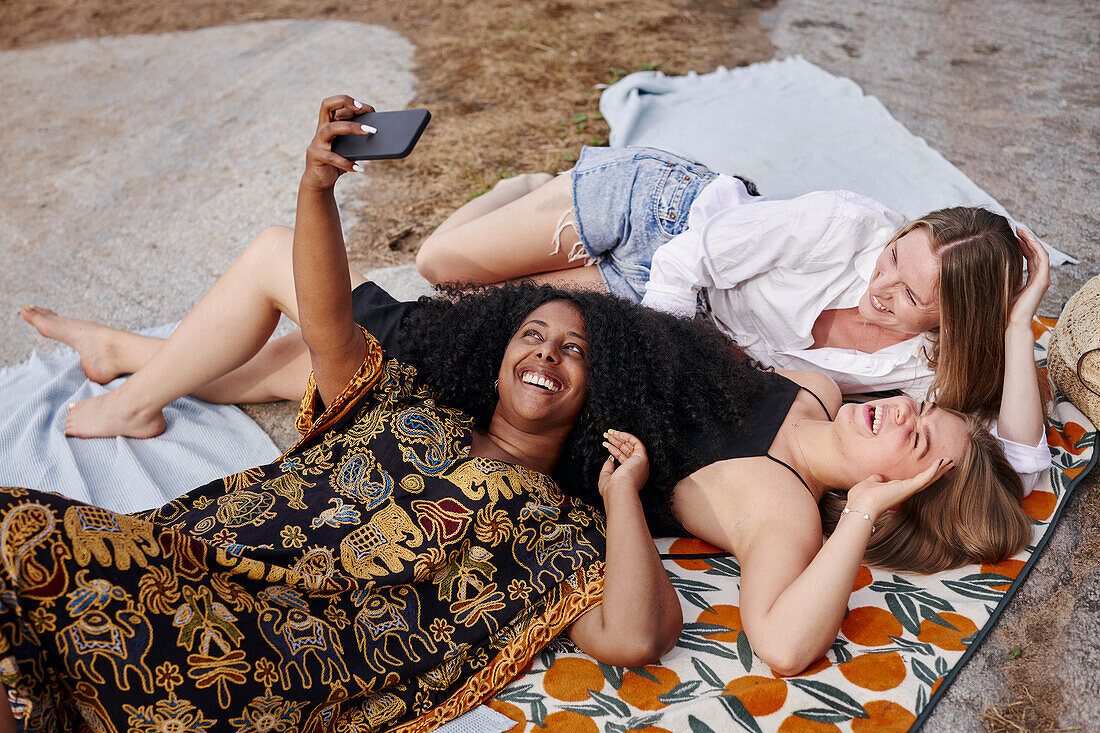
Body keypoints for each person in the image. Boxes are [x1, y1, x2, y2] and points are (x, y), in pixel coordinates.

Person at [10, 99, 1029, 699]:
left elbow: (780, 640)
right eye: (913, 405)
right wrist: (1017, 313)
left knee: (286, 273)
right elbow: (1019, 457)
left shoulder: (776, 508)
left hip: (508, 399)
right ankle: (134, 361)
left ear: (902, 488)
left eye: (910, 432)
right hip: (550, 343)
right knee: (303, 355)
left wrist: (857, 513)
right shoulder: (817, 386)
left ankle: (132, 385)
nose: (895, 408)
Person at [0, 97, 684, 732]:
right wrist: (316, 189)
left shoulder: (560, 529)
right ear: (498, 355)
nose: (546, 354)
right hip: (186, 564)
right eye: (531, 335)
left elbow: (634, 636)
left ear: (601, 390)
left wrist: (619, 495)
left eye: (574, 350)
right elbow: (329, 322)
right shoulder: (409, 404)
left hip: (265, 660)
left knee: (20, 539)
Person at [412, 146, 1052, 490]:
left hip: (656, 296)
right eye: (893, 257)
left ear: (952, 322)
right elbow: (684, 264)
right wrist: (660, 374)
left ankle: (542, 206)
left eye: (910, 296)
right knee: (437, 265)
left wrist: (1019, 322)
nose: (880, 287)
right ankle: (528, 188)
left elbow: (1024, 467)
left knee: (463, 308)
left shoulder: (921, 371)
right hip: (659, 213)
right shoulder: (842, 224)